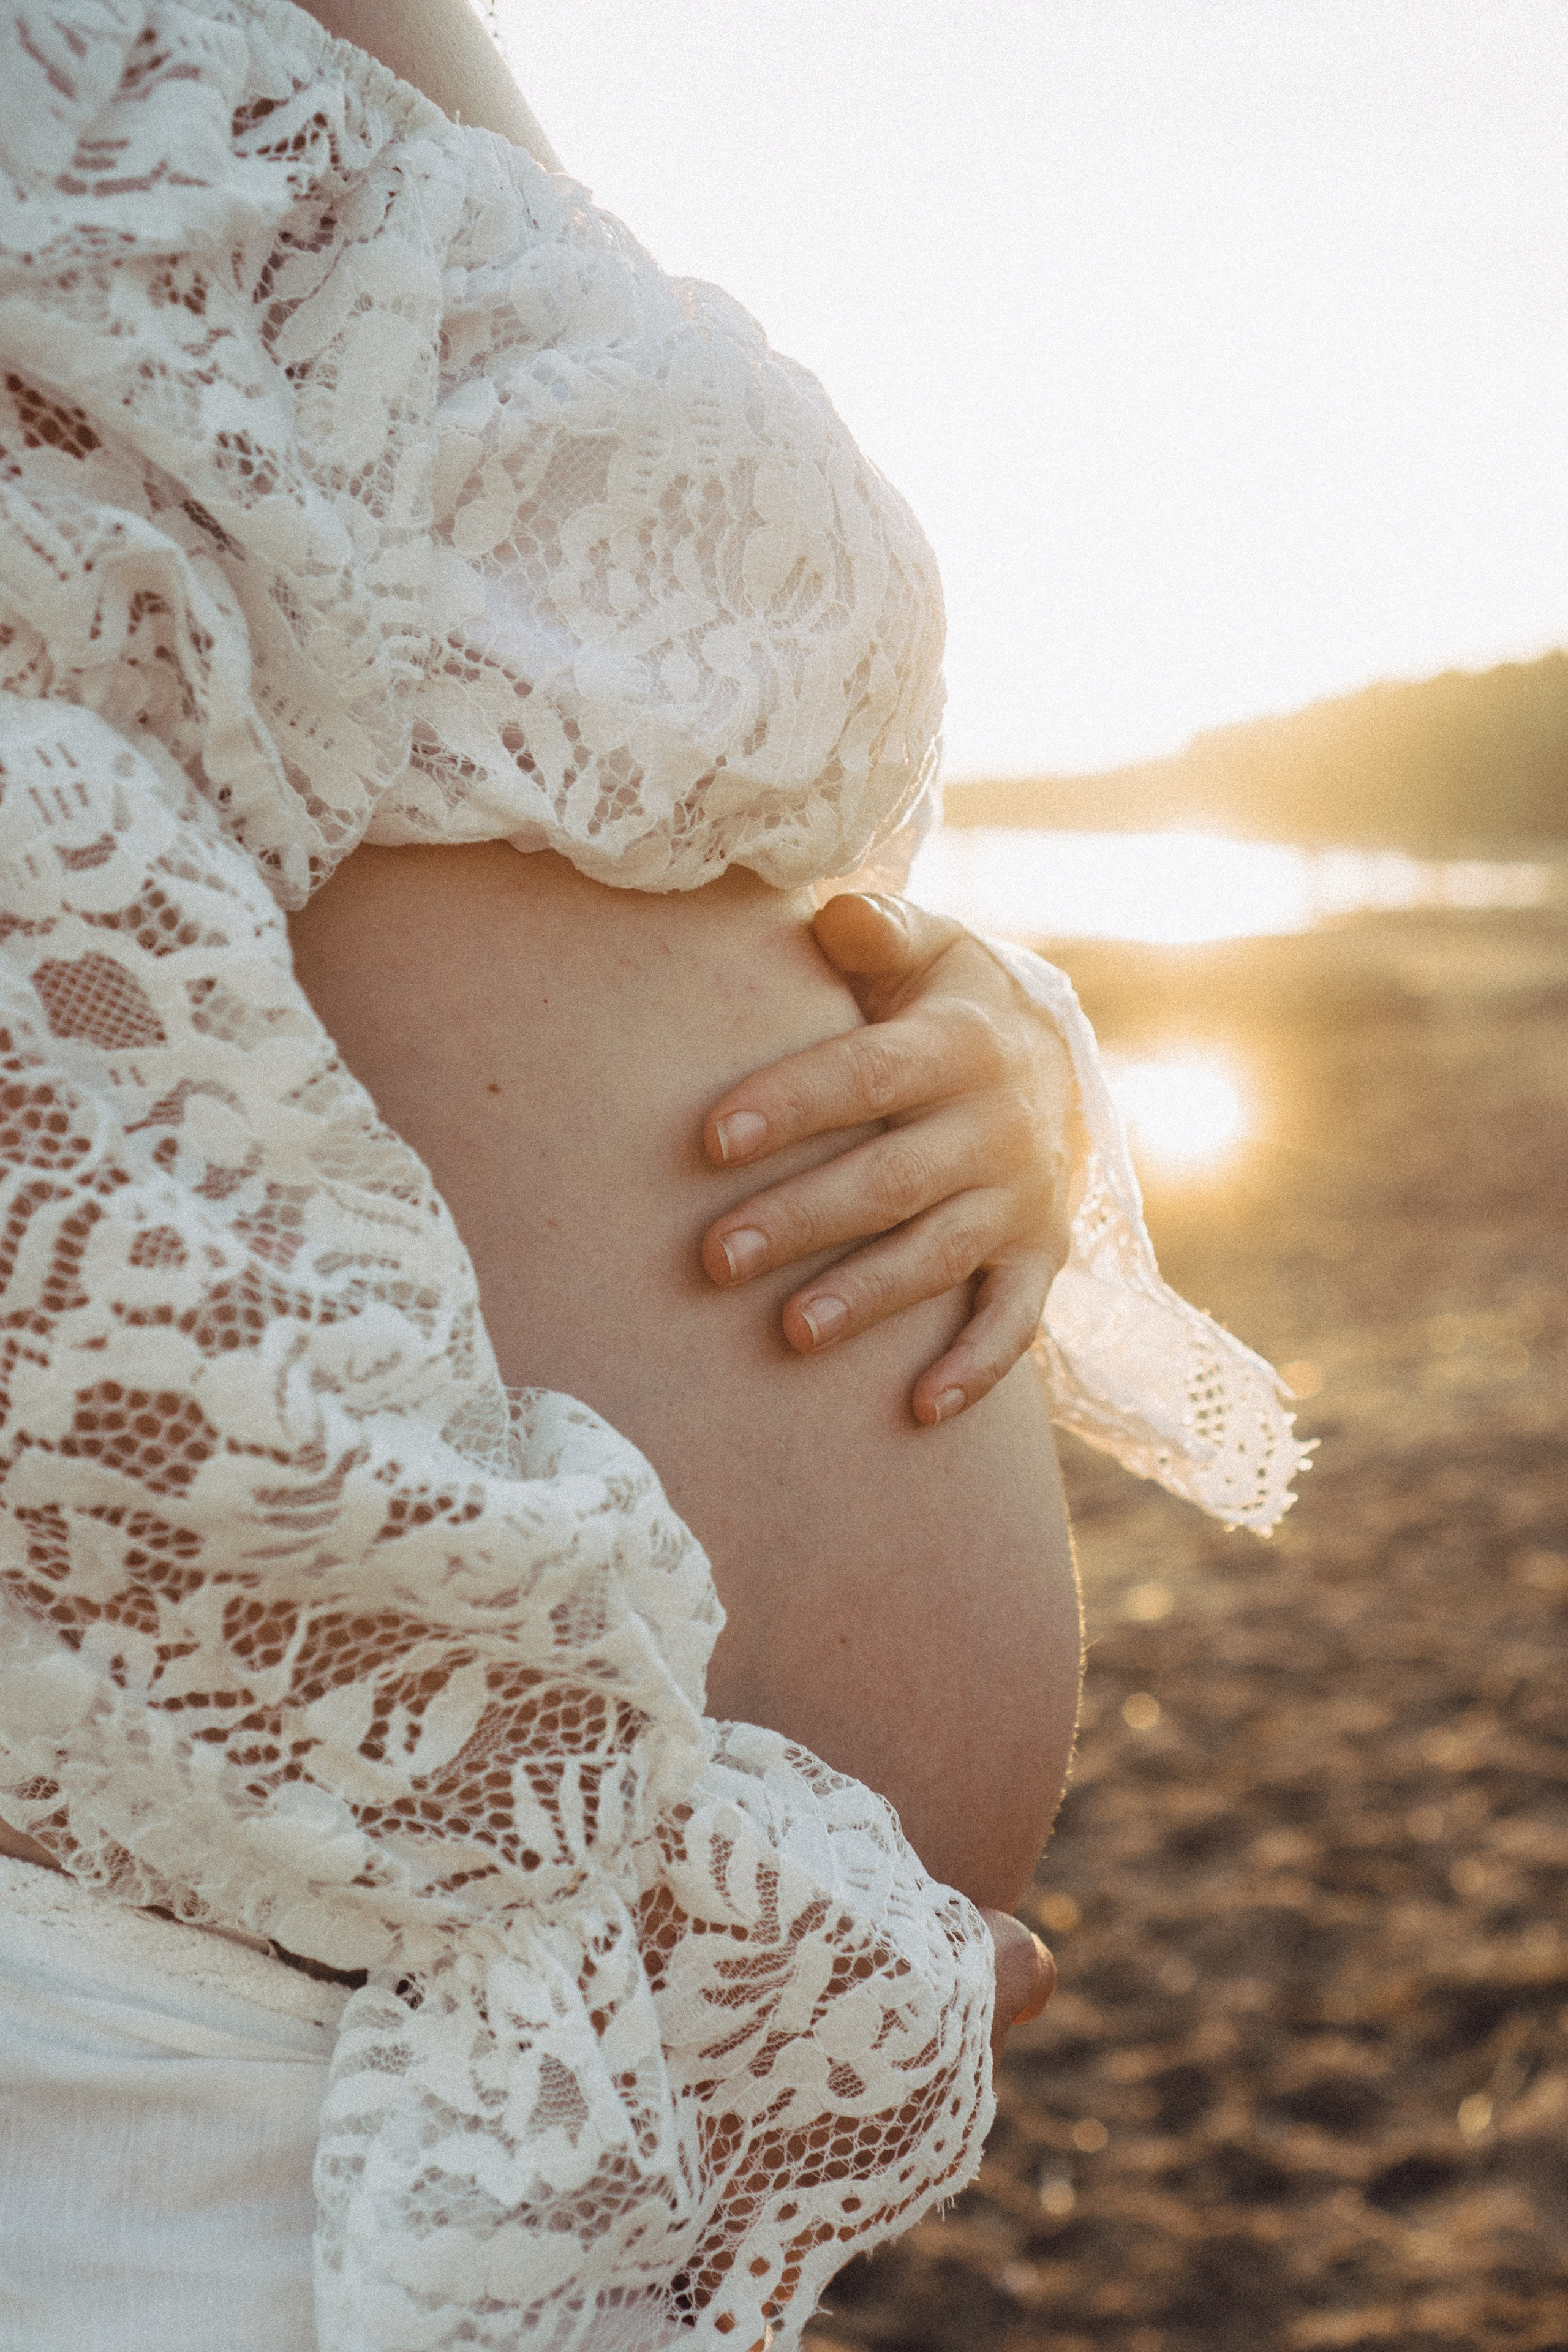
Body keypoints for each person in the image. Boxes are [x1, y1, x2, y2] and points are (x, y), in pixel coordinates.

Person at [0, 3, 1306, 2346]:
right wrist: (734, 1913)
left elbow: (594, 759)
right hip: (207, 2083)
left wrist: (977, 1026)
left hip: (467, 2058)